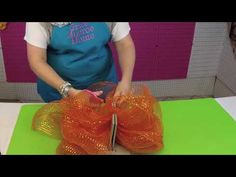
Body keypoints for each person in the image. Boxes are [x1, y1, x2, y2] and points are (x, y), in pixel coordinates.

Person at [24, 22, 135, 102]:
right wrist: (68, 91)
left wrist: (126, 81)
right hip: (59, 92)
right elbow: (37, 60)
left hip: (104, 88)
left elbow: (125, 45)